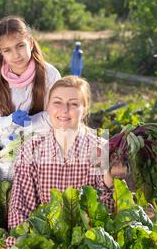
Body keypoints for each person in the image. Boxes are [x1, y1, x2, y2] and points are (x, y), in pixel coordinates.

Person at [7, 76, 127, 237]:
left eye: (74, 104)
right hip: (45, 242)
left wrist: (110, 178)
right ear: (48, 106)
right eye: (57, 102)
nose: (64, 110)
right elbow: (20, 207)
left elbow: (109, 213)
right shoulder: (30, 149)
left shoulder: (99, 150)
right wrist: (27, 243)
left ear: (84, 109)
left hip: (88, 242)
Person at [0, 15, 61, 143]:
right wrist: (10, 120)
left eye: (20, 46)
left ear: (31, 43)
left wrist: (24, 128)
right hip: (9, 149)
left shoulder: (50, 74)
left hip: (45, 144)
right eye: (7, 50)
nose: (16, 55)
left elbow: (58, 115)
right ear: (0, 52)